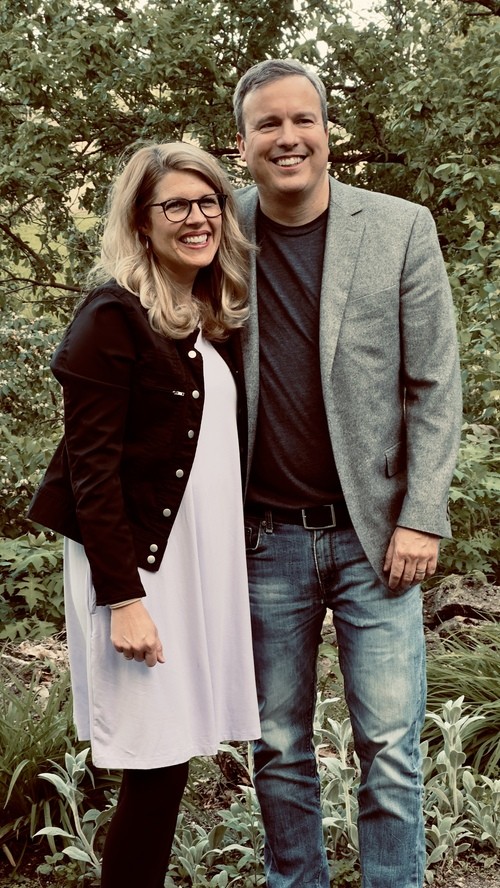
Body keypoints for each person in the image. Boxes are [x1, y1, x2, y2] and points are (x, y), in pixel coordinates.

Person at [232, 59, 462, 888]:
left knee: (391, 748)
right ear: (242, 143)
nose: (288, 137)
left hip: (378, 539)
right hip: (263, 541)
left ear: (329, 131)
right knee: (278, 745)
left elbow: (435, 383)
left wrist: (422, 515)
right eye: (268, 124)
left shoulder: (400, 226)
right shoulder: (217, 228)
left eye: (304, 120)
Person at [28, 141, 260, 888]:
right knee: (155, 765)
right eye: (176, 205)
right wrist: (124, 598)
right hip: (141, 570)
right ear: (141, 219)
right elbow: (91, 471)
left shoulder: (207, 317)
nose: (197, 218)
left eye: (208, 202)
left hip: (196, 565)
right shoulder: (113, 315)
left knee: (172, 763)